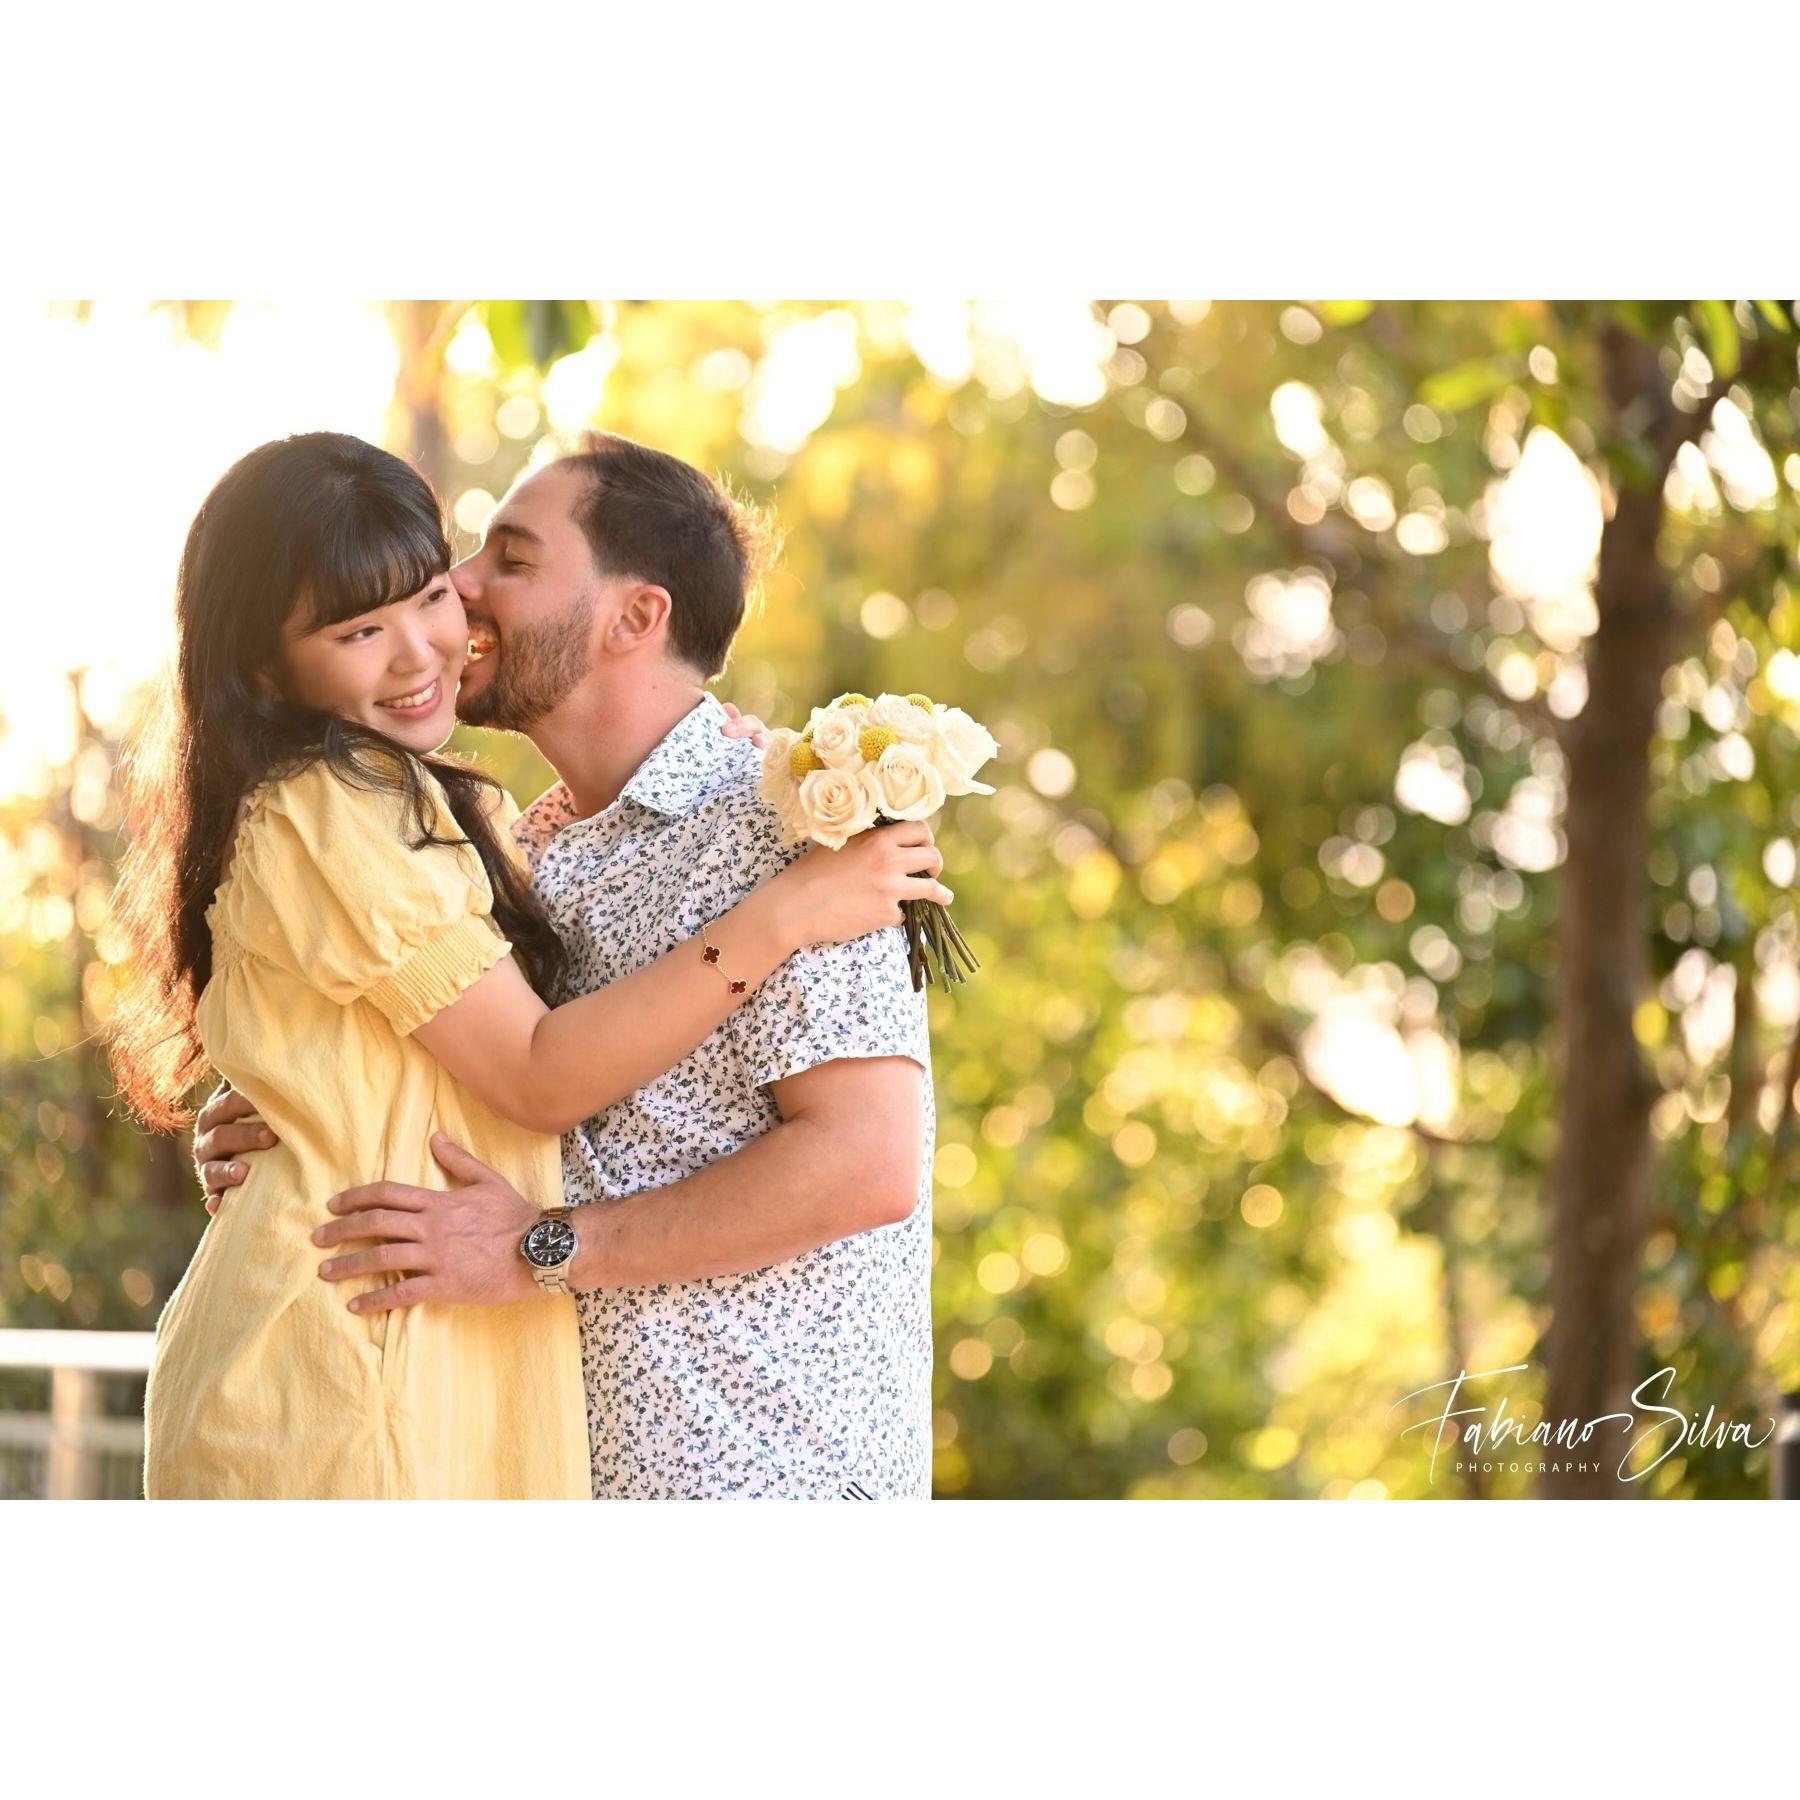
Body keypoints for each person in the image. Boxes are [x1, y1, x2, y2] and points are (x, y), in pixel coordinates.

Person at [112, 431, 946, 1499]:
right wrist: (302, 1103)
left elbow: (865, 1166)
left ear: (634, 618)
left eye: (508, 559)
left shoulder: (797, 835)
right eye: (456, 565)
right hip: (510, 1448)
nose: (460, 588)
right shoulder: (522, 850)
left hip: (762, 1478)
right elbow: (476, 1062)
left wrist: (539, 1249)